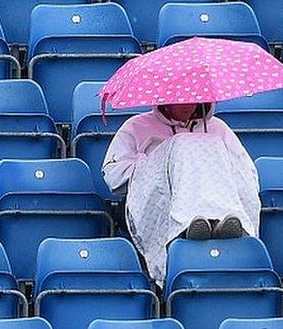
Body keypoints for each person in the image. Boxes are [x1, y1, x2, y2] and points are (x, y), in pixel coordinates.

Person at [103, 103, 260, 283]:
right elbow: (114, 178)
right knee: (182, 144)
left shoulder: (219, 129)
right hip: (159, 204)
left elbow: (245, 173)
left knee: (206, 146)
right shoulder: (136, 127)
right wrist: (154, 164)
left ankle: (221, 225)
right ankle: (185, 227)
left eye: (194, 99)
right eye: (181, 100)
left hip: (214, 199)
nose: (188, 105)